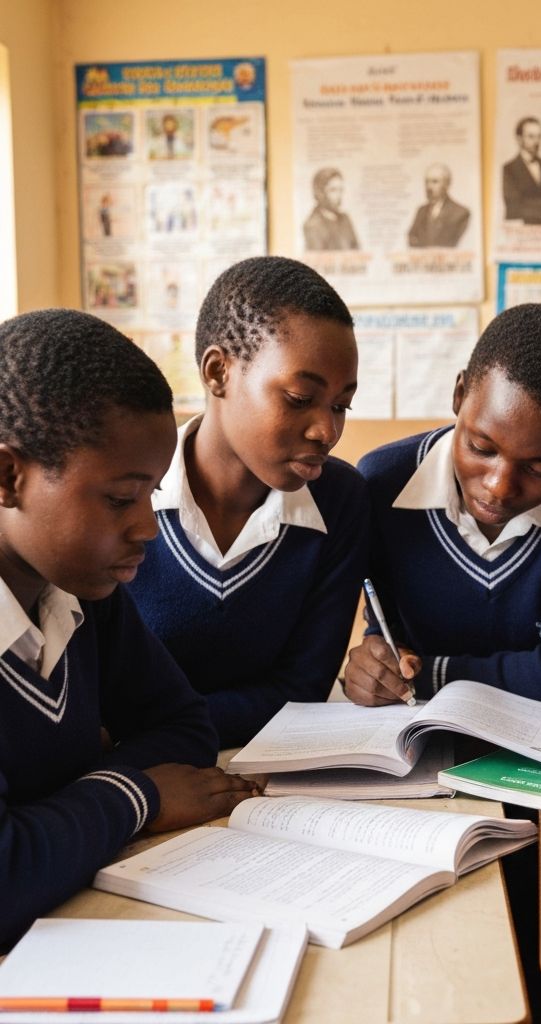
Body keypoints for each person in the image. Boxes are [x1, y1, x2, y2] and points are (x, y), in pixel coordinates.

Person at [0, 308, 257, 952]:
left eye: (152, 493)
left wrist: (54, 823)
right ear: (8, 476)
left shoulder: (83, 587)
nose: (147, 526)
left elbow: (184, 727)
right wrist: (133, 794)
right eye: (120, 498)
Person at [343, 303, 541, 710]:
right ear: (460, 394)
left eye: (539, 467)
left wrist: (431, 673)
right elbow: (388, 638)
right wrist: (376, 665)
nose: (499, 487)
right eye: (481, 448)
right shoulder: (383, 485)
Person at [127, 256, 369, 748]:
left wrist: (145, 728)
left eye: (341, 404)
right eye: (300, 398)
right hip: (130, 775)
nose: (328, 431)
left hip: (261, 774)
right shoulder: (123, 492)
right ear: (219, 372)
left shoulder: (340, 500)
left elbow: (301, 692)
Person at [407, 164, 470, 248]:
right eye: (427, 182)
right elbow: (411, 238)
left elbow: (453, 243)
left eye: (435, 182)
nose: (429, 187)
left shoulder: (460, 213)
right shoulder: (421, 211)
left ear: (446, 184)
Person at [302, 167, 359, 251]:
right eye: (333, 190)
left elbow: (357, 251)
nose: (338, 196)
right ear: (320, 192)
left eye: (340, 190)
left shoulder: (345, 219)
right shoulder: (312, 225)